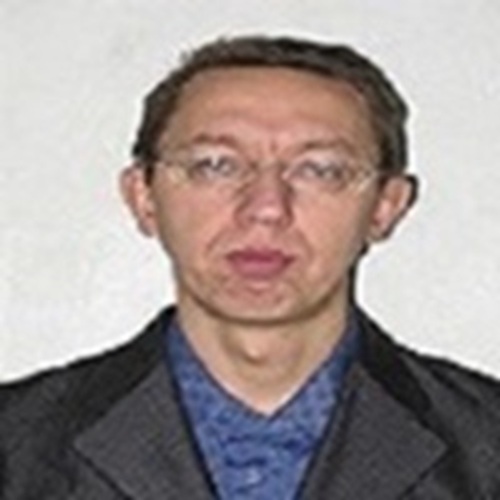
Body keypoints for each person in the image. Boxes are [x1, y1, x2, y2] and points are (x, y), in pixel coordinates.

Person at [1, 35, 500, 500]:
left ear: (385, 207)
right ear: (144, 197)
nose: (266, 207)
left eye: (320, 169)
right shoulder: (16, 445)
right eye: (216, 165)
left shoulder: (486, 446)